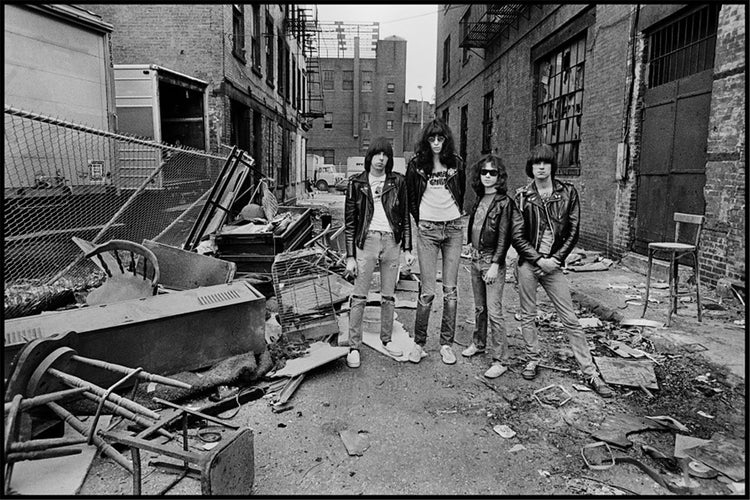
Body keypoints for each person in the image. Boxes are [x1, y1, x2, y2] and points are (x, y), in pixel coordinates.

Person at [511, 144, 613, 397]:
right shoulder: (522, 196)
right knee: (528, 314)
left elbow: (572, 231)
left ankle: (590, 372)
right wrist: (537, 259)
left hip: (554, 266)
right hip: (529, 264)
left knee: (570, 318)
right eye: (536, 164)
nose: (541, 168)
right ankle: (532, 359)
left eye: (545, 163)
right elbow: (517, 235)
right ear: (531, 168)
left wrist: (555, 259)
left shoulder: (568, 193)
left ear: (552, 166)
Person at [344, 137, 414, 368]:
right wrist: (350, 256)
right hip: (367, 241)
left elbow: (404, 217)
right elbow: (350, 222)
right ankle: (354, 346)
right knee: (359, 296)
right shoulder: (356, 183)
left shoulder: (398, 182)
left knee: (388, 296)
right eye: (377, 154)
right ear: (370, 157)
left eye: (385, 155)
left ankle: (387, 339)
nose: (381, 159)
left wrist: (407, 248)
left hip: (392, 242)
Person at [405, 118, 466, 364]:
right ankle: (419, 344)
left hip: (453, 229)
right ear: (427, 141)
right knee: (427, 291)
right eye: (432, 139)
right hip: (427, 230)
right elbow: (411, 197)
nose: (437, 143)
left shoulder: (456, 164)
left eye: (441, 139)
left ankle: (446, 345)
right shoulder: (417, 165)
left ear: (447, 140)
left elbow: (461, 193)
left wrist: (456, 218)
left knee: (450, 291)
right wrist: (420, 221)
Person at [461, 154, 514, 378]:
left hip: (491, 260)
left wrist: (495, 264)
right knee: (480, 308)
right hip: (475, 258)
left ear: (499, 176)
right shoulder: (480, 198)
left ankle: (501, 360)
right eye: (484, 172)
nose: (488, 176)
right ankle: (479, 343)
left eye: (493, 173)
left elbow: (504, 237)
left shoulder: (504, 202)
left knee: (494, 312)